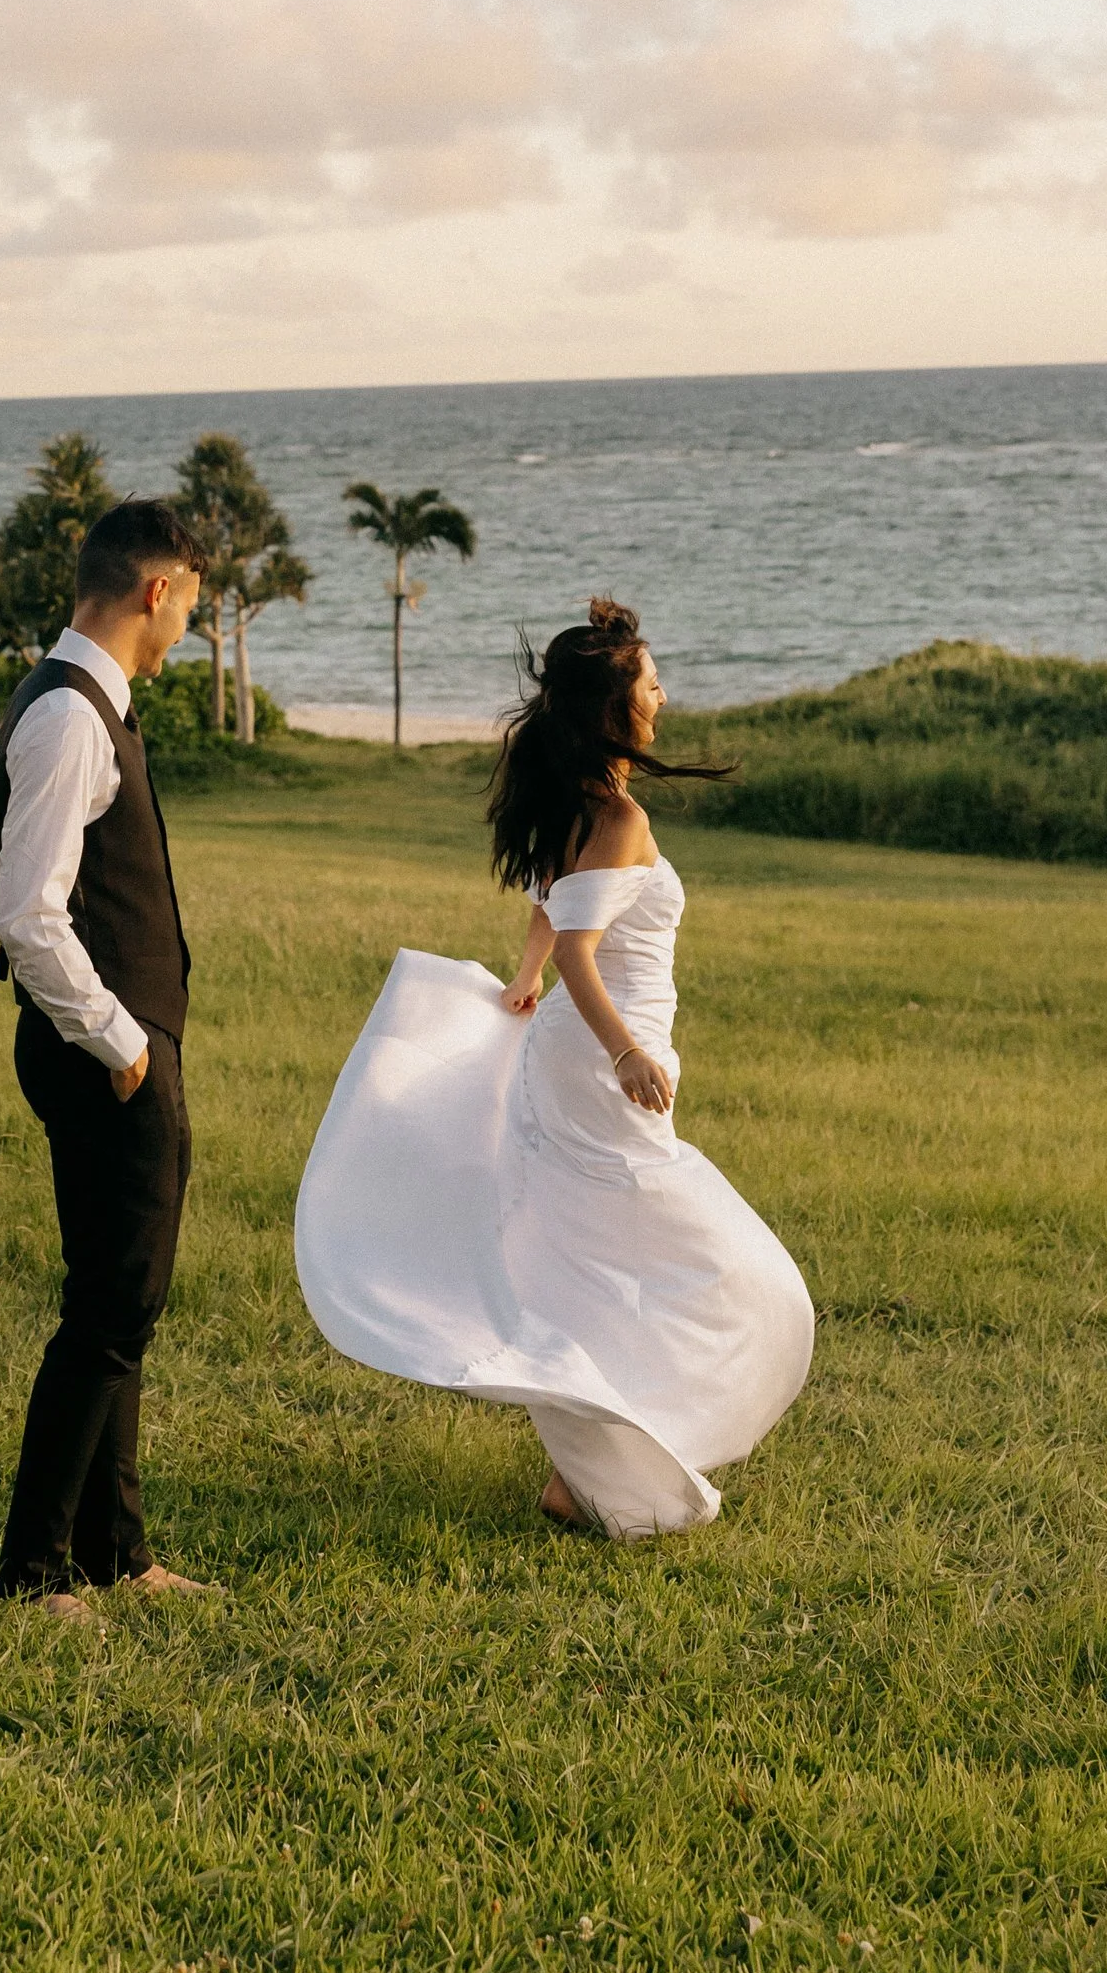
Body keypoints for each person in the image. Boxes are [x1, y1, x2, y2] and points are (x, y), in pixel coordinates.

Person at [293, 597, 813, 1537]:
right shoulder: (618, 817)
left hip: (578, 1052)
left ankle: (584, 1468)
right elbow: (579, 944)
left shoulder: (572, 804)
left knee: (592, 1251)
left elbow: (553, 912)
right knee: (714, 1262)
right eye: (652, 682)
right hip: (600, 1057)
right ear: (618, 710)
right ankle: (620, 1447)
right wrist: (624, 1052)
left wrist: (527, 978)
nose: (663, 694)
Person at [0, 497, 215, 1616]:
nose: (187, 633)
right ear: (154, 591)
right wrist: (124, 1044)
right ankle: (33, 1575)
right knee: (113, 1310)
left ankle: (113, 1553)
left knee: (116, 1304)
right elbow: (27, 916)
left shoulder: (85, 701)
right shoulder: (71, 718)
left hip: (104, 1046)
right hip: (99, 1051)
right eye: (190, 608)